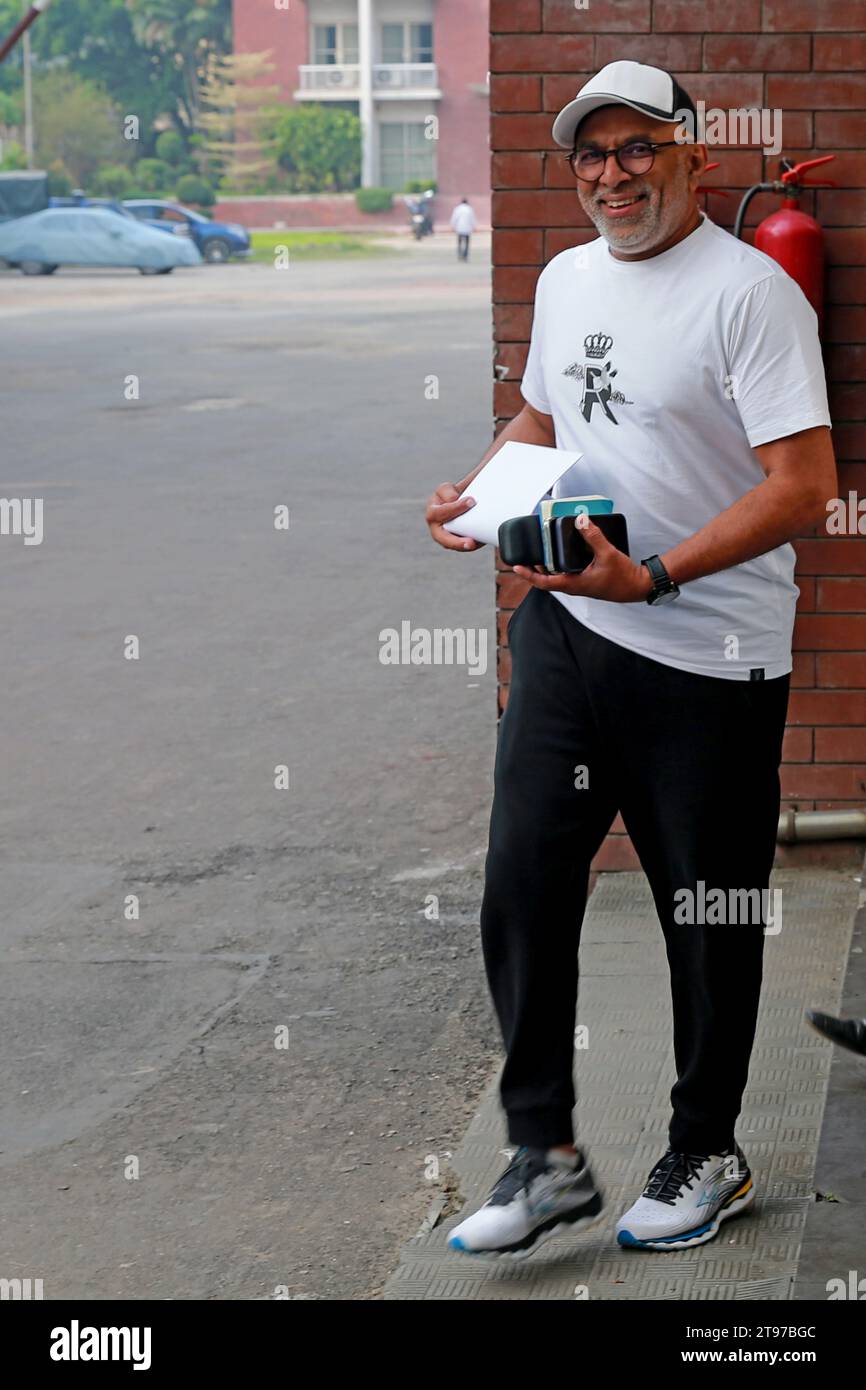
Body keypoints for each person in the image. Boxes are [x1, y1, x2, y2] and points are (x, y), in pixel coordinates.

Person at [425, 60, 836, 1258]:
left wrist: (654, 574)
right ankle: (543, 1151)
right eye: (589, 156)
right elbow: (545, 420)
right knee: (523, 880)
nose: (611, 175)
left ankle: (706, 1143)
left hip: (706, 653)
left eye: (636, 148)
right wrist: (479, 494)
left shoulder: (749, 295)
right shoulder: (564, 279)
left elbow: (804, 484)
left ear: (691, 156)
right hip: (569, 628)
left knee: (702, 910)